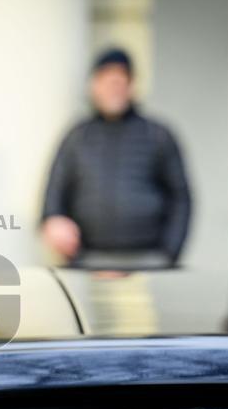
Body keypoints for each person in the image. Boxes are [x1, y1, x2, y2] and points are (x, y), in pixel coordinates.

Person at [41, 48, 192, 268]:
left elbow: (181, 197)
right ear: (94, 86)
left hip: (149, 260)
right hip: (88, 260)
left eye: (120, 81)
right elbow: (54, 193)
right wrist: (53, 220)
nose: (114, 88)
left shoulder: (158, 135)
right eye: (107, 81)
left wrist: (169, 253)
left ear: (132, 86)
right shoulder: (76, 137)